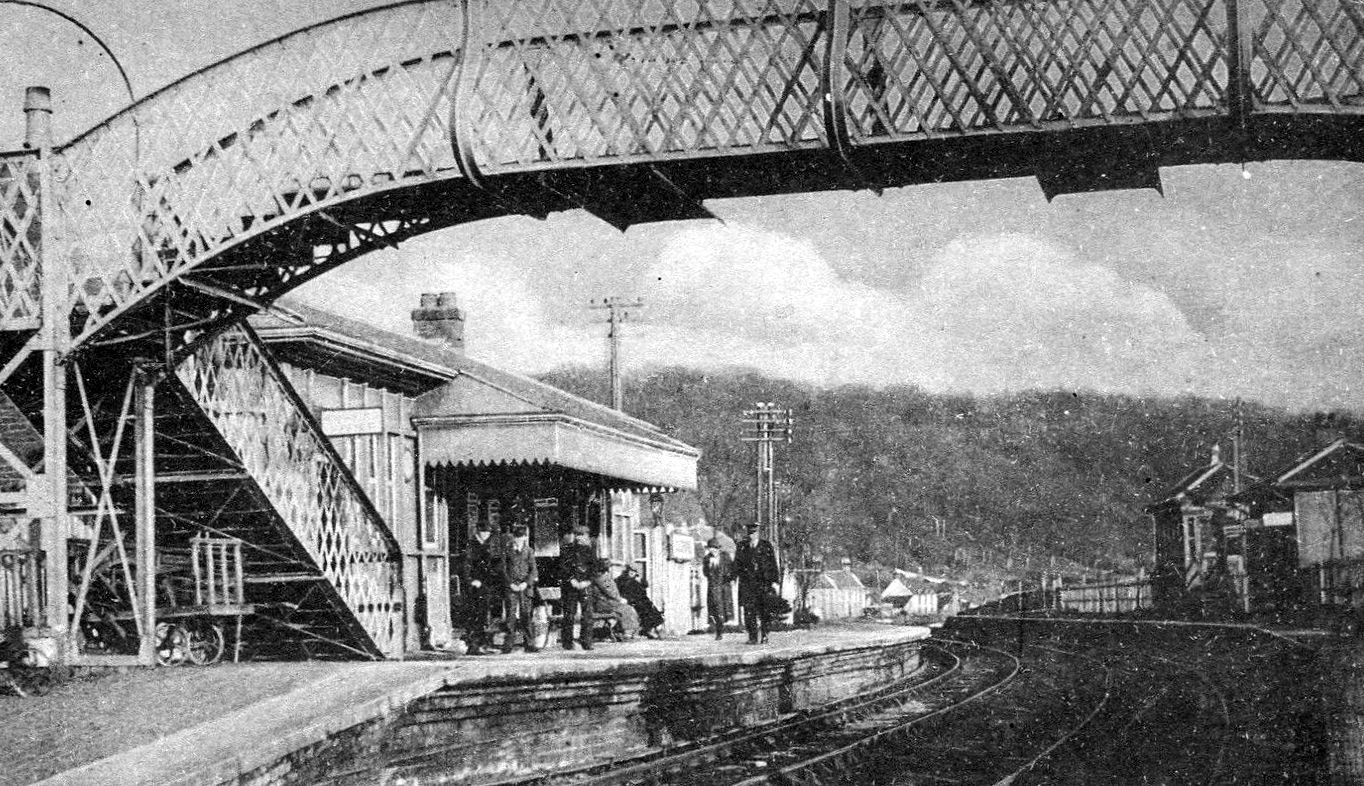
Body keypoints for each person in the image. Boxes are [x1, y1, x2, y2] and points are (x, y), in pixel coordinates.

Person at [734, 523, 780, 644]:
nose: (752, 535)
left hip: (763, 584)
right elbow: (737, 565)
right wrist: (733, 577)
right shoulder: (741, 546)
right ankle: (752, 637)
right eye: (750, 533)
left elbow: (773, 564)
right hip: (748, 585)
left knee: (764, 611)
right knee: (749, 612)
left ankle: (764, 634)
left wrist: (775, 581)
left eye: (754, 533)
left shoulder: (766, 546)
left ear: (758, 533)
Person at [559, 524, 599, 650]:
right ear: (575, 537)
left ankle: (587, 641)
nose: (581, 538)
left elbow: (594, 569)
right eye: (579, 535)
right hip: (571, 586)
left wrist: (587, 581)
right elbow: (563, 568)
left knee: (587, 614)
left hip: (586, 585)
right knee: (569, 614)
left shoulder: (590, 552)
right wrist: (572, 580)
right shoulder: (567, 550)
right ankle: (567, 642)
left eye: (584, 535)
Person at [463, 520, 499, 655]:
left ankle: (481, 644)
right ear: (478, 531)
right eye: (484, 532)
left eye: (488, 533)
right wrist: (471, 580)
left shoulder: (487, 544)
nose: (486, 535)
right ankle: (473, 646)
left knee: (483, 614)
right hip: (475, 585)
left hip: (486, 585)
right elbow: (466, 565)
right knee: (474, 615)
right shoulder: (471, 545)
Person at [501, 524, 539, 653]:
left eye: (521, 537)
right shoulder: (507, 550)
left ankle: (529, 643)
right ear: (513, 537)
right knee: (510, 615)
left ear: (525, 537)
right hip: (511, 587)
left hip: (525, 587)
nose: (518, 540)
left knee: (526, 615)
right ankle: (508, 644)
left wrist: (526, 583)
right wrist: (510, 583)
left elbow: (533, 570)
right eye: (516, 537)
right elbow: (503, 569)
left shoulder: (529, 551)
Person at [592, 560, 641, 639]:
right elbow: (610, 592)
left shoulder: (599, 577)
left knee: (625, 607)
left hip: (603, 602)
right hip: (605, 604)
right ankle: (627, 632)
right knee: (627, 609)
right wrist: (619, 599)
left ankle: (622, 631)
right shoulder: (602, 578)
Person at [616, 566, 664, 639]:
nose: (632, 573)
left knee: (649, 607)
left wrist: (641, 581)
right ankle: (652, 628)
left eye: (634, 571)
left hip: (638, 600)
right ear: (627, 571)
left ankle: (655, 627)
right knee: (644, 608)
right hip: (629, 600)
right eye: (630, 571)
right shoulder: (621, 580)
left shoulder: (635, 581)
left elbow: (643, 590)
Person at [702, 537, 733, 640]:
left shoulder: (725, 556)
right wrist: (710, 566)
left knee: (722, 610)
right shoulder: (707, 558)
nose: (713, 550)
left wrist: (729, 578)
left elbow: (731, 570)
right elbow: (705, 573)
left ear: (718, 549)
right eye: (711, 548)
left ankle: (720, 630)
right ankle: (718, 630)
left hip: (723, 587)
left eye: (715, 548)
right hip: (712, 588)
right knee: (714, 610)